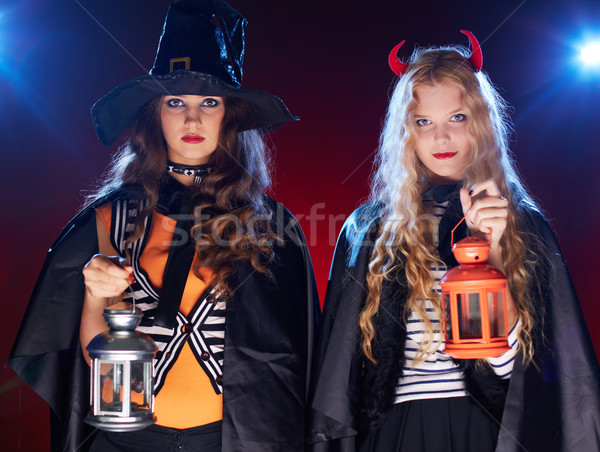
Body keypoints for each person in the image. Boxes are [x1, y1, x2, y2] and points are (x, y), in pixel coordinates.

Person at [9, 1, 319, 451]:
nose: (192, 118)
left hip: (234, 442)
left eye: (208, 102)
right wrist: (97, 294)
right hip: (126, 441)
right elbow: (91, 362)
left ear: (229, 116)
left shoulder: (269, 227)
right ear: (154, 114)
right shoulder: (107, 220)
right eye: (176, 102)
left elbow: (296, 360)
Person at [308, 31, 600, 451]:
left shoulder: (520, 222)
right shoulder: (369, 228)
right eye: (423, 122)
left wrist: (496, 250)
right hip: (395, 433)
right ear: (406, 132)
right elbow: (342, 379)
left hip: (482, 431)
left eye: (457, 118)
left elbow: (520, 378)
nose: (440, 138)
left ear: (480, 123)